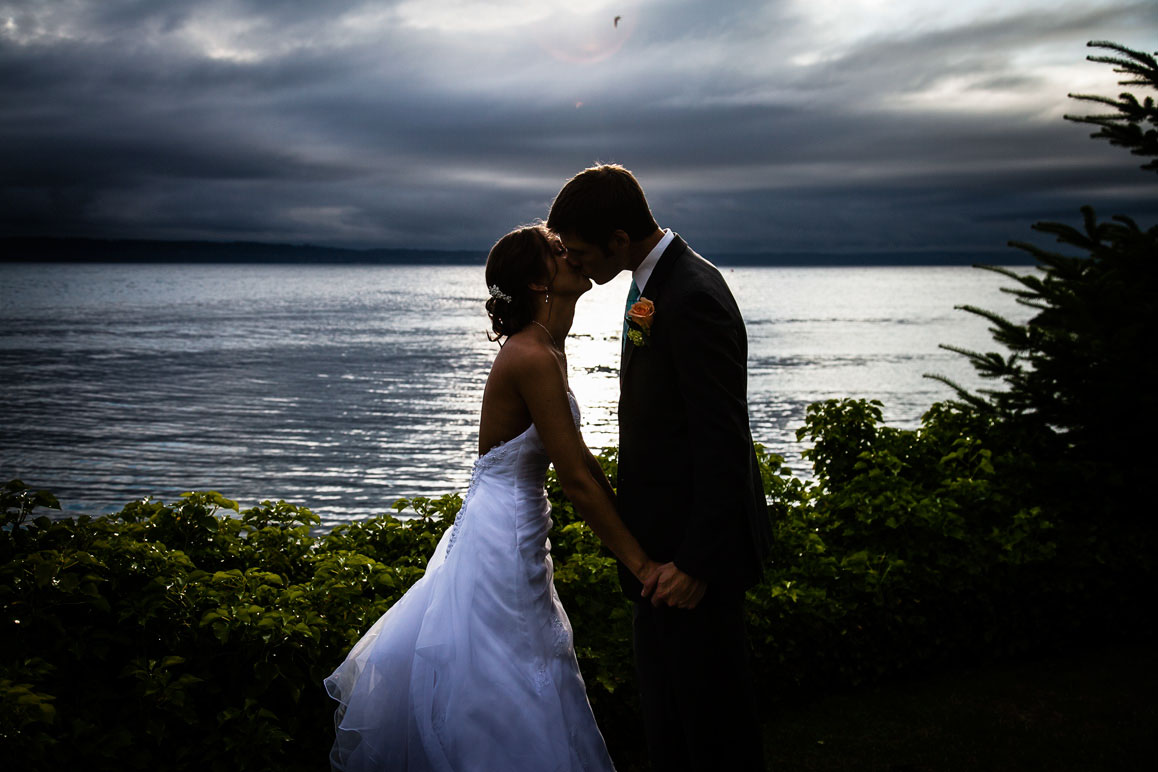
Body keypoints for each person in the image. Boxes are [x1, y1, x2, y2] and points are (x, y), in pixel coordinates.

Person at [324, 224, 658, 771]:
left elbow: (580, 460)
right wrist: (643, 565)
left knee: (532, 663)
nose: (571, 252)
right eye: (557, 251)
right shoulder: (529, 355)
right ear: (534, 282)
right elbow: (573, 477)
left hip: (518, 522)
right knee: (509, 675)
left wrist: (633, 523)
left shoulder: (548, 346)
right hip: (502, 533)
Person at [548, 164, 773, 771]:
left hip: (692, 562)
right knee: (672, 725)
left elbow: (722, 439)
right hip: (663, 554)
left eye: (583, 251)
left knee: (714, 730)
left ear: (620, 239)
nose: (579, 264)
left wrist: (696, 564)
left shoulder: (692, 295)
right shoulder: (651, 282)